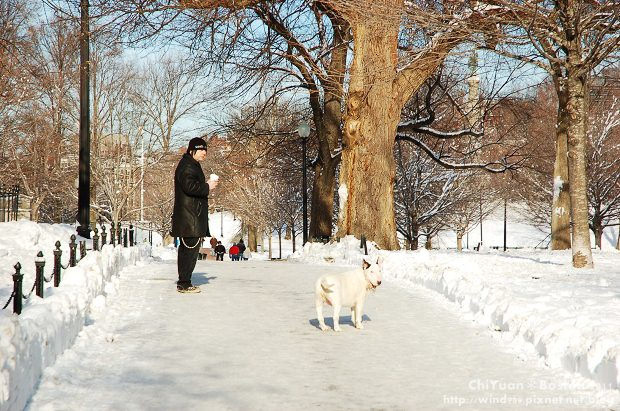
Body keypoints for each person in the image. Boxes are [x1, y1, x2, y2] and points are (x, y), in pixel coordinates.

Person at [171, 137, 218, 293]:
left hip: (190, 216)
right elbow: (189, 187)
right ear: (192, 151)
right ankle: (184, 283)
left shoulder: (191, 164)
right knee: (189, 251)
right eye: (201, 150)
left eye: (205, 149)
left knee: (188, 251)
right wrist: (207, 186)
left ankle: (185, 282)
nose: (204, 152)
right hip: (189, 217)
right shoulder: (187, 166)